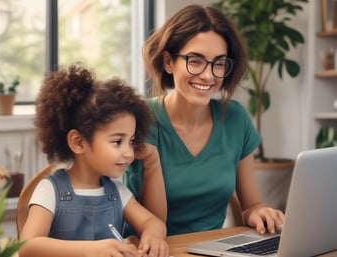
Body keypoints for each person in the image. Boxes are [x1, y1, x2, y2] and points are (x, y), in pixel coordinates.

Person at [124, 4, 285, 236]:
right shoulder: (140, 120)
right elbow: (124, 208)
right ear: (169, 62)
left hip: (211, 249)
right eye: (195, 61)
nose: (208, 76)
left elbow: (251, 205)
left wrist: (260, 213)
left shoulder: (235, 119)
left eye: (219, 63)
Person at [19, 64, 169, 257]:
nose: (129, 153)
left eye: (131, 141)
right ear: (79, 142)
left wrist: (154, 236)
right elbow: (27, 247)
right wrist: (94, 250)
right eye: (117, 141)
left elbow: (152, 222)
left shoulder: (116, 192)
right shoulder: (50, 190)